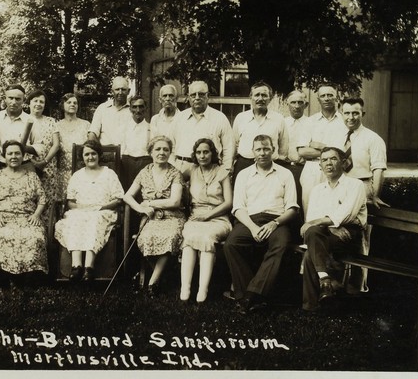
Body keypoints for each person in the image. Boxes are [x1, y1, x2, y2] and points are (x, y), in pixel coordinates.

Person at [223, 134, 298, 314]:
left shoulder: (285, 173)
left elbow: (292, 208)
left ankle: (248, 296)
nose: (262, 153)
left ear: (273, 150)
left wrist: (274, 223)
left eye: (266, 149)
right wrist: (252, 227)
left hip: (277, 221)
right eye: (258, 149)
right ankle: (254, 295)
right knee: (231, 244)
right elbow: (238, 207)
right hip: (250, 220)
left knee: (280, 245)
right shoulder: (244, 174)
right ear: (253, 152)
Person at [300, 147, 367, 313]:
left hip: (349, 235)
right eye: (324, 160)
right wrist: (331, 227)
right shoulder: (317, 190)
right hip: (325, 233)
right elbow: (312, 218)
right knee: (312, 240)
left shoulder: (355, 185)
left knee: (312, 241)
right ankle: (325, 283)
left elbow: (347, 214)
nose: (328, 163)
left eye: (333, 159)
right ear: (320, 166)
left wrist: (328, 224)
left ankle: (311, 305)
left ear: (343, 163)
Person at [123, 135, 186, 295]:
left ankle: (152, 282)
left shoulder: (175, 173)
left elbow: (175, 202)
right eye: (157, 149)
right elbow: (127, 196)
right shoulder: (144, 172)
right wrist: (141, 208)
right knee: (145, 238)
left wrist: (149, 203)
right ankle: (163, 277)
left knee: (170, 237)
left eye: (166, 149)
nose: (162, 152)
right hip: (150, 218)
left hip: (172, 216)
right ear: (151, 152)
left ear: (170, 152)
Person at [54, 140, 124, 282]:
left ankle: (89, 267)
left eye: (93, 154)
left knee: (94, 219)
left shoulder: (109, 174)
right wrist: (82, 209)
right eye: (87, 154)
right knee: (75, 219)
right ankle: (76, 266)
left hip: (103, 211)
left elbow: (118, 199)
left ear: (99, 155)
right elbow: (70, 202)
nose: (90, 157)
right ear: (82, 157)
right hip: (80, 211)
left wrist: (100, 208)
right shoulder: (77, 175)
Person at [340, 96, 389, 293]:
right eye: (347, 113)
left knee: (361, 238)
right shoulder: (338, 136)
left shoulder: (373, 139)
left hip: (362, 187)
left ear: (362, 114)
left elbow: (378, 169)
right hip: (341, 188)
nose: (351, 117)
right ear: (341, 113)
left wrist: (375, 195)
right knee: (338, 233)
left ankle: (358, 286)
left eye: (355, 113)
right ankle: (337, 282)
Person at [0, 140, 49, 278]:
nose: (14, 156)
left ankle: (32, 273)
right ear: (4, 156)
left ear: (23, 156)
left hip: (27, 217)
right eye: (10, 153)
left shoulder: (32, 176)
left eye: (17, 153)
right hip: (2, 217)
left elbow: (42, 199)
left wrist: (36, 215)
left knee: (35, 237)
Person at [179, 139, 233, 303]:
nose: (202, 156)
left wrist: (208, 216)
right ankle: (185, 289)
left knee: (206, 238)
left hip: (218, 218)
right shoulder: (191, 170)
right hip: (196, 216)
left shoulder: (222, 172)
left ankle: (203, 290)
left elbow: (228, 203)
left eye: (206, 152)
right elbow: (174, 178)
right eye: (198, 152)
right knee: (189, 239)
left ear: (212, 153)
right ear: (194, 155)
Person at [298, 83, 346, 213]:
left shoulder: (344, 122)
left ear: (337, 98)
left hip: (336, 169)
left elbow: (343, 153)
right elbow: (302, 151)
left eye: (330, 95)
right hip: (312, 170)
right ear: (318, 99)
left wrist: (320, 146)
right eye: (323, 95)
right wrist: (332, 150)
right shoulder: (310, 122)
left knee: (334, 208)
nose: (326, 98)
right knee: (310, 209)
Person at [168, 80, 233, 173]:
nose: (197, 98)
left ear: (208, 96)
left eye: (201, 94)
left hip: (210, 169)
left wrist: (225, 170)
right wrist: (172, 166)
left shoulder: (220, 118)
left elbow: (229, 147)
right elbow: (171, 146)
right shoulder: (179, 118)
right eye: (193, 95)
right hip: (180, 167)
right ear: (188, 97)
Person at [230, 81, 289, 181]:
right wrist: (231, 165)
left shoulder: (279, 119)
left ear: (270, 99)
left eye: (264, 95)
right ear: (250, 97)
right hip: (244, 165)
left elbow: (283, 148)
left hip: (270, 166)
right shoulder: (241, 118)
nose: (260, 99)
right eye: (257, 95)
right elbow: (233, 144)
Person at [25, 90, 61, 204]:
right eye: (35, 101)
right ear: (29, 103)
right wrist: (32, 163)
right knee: (30, 196)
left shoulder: (51, 121)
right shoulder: (24, 119)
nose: (38, 104)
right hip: (27, 165)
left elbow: (56, 145)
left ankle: (49, 222)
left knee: (48, 198)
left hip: (48, 166)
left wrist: (45, 162)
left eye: (42, 102)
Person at [55, 93, 91, 201]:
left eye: (75, 103)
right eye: (69, 102)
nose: (72, 104)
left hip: (82, 171)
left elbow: (90, 147)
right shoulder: (56, 125)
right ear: (62, 105)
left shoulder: (86, 125)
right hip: (63, 172)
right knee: (63, 203)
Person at [0, 84, 32, 166]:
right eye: (11, 98)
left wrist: (24, 148)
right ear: (5, 99)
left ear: (24, 100)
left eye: (18, 99)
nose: (14, 102)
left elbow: (39, 145)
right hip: (0, 165)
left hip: (23, 164)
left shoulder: (30, 120)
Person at [282, 90, 310, 206]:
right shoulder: (282, 123)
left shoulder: (311, 123)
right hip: (284, 167)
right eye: (293, 102)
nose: (297, 106)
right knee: (286, 200)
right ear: (287, 104)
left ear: (306, 105)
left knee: (303, 200)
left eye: (300, 102)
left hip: (305, 168)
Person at [88, 76, 133, 145]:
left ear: (128, 91)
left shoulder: (133, 110)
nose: (120, 92)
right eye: (117, 89)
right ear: (112, 91)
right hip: (106, 153)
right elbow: (93, 133)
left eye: (123, 89)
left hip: (127, 154)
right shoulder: (102, 108)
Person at [120, 96, 152, 191]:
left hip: (145, 165)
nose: (138, 110)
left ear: (146, 109)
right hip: (127, 166)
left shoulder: (152, 129)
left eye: (141, 107)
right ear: (130, 109)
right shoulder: (123, 129)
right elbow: (120, 150)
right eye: (134, 107)